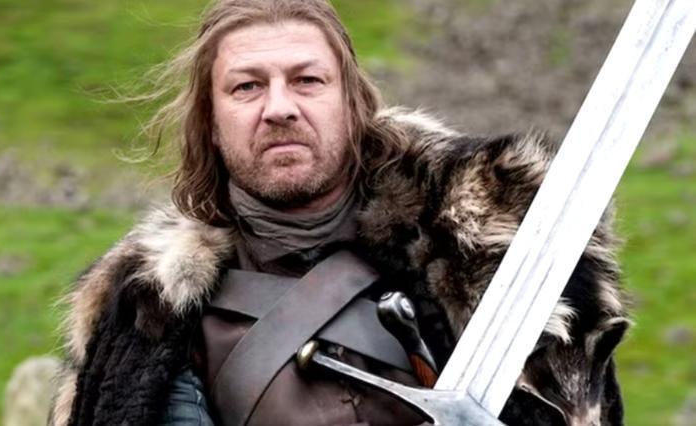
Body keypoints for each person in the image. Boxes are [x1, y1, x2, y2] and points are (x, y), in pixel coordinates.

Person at [50, 1, 630, 425]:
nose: (280, 108)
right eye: (247, 87)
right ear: (211, 123)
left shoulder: (483, 257)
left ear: (352, 105)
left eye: (307, 80)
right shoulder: (151, 318)